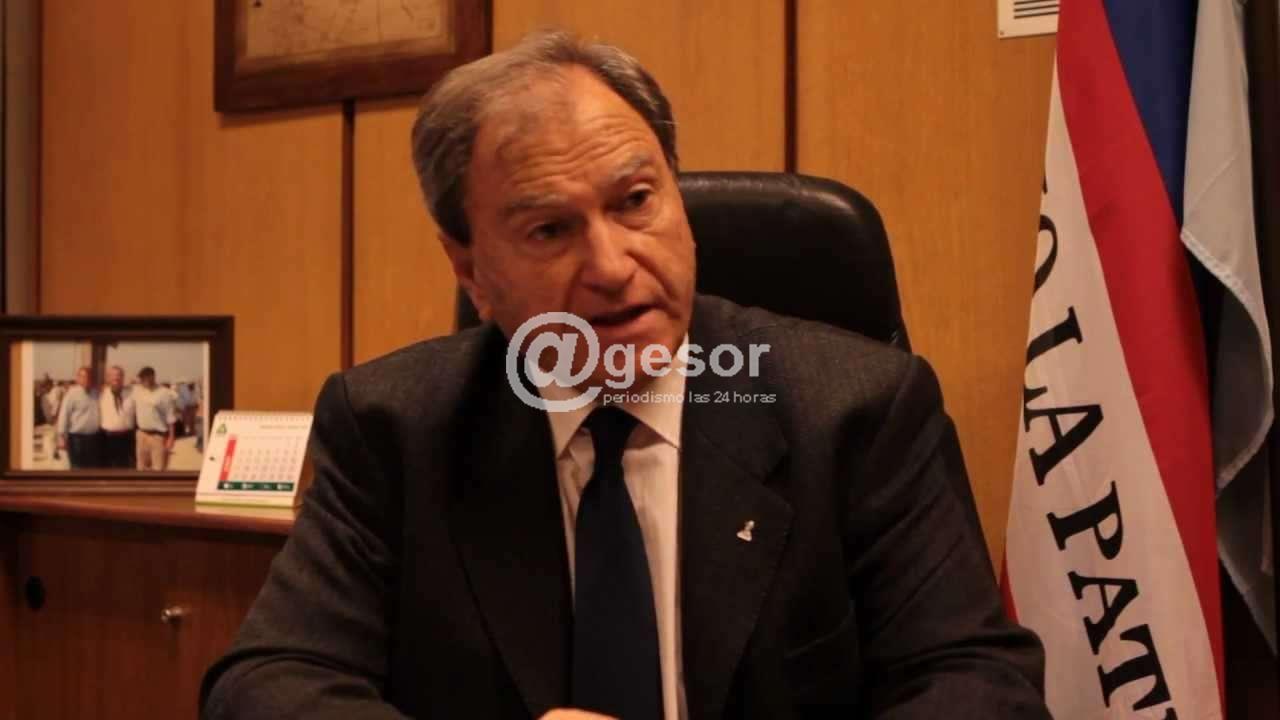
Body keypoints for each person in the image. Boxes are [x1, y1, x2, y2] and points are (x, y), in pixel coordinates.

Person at [202, 31, 1050, 719]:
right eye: (549, 230)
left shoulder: (857, 410)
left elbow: (980, 686)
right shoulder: (395, 427)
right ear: (471, 271)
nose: (611, 267)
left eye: (636, 201)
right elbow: (264, 685)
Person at [55, 366, 101, 468]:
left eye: (89, 377)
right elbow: (63, 415)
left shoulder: (96, 393)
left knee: (92, 468)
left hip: (93, 438)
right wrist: (61, 437)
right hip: (77, 439)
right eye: (83, 377)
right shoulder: (71, 394)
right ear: (78, 378)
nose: (86, 379)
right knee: (77, 468)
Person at [131, 367, 177, 470]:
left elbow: (170, 416)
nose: (143, 380)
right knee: (141, 468)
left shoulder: (164, 393)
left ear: (152, 377)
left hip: (158, 437)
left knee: (158, 469)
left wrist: (171, 437)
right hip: (141, 435)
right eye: (142, 378)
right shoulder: (137, 391)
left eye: (146, 378)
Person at [98, 365, 136, 468]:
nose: (116, 378)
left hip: (126, 438)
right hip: (106, 438)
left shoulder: (132, 393)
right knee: (106, 468)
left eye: (119, 375)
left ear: (123, 377)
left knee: (124, 468)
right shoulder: (101, 393)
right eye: (113, 375)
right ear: (108, 378)